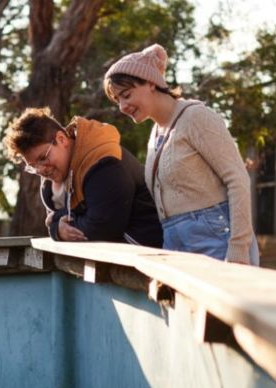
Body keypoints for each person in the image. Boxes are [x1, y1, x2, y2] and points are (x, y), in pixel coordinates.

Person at [104, 44, 259, 265]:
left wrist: (238, 249)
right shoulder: (156, 133)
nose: (122, 106)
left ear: (150, 82)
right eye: (117, 100)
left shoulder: (196, 117)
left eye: (126, 95)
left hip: (216, 240)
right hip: (175, 246)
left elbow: (238, 179)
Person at [3, 107, 163, 248]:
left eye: (43, 158)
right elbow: (58, 223)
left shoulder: (104, 163)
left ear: (61, 139)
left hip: (151, 254)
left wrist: (56, 223)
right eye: (32, 166)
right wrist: (56, 229)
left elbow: (101, 229)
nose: (41, 170)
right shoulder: (56, 178)